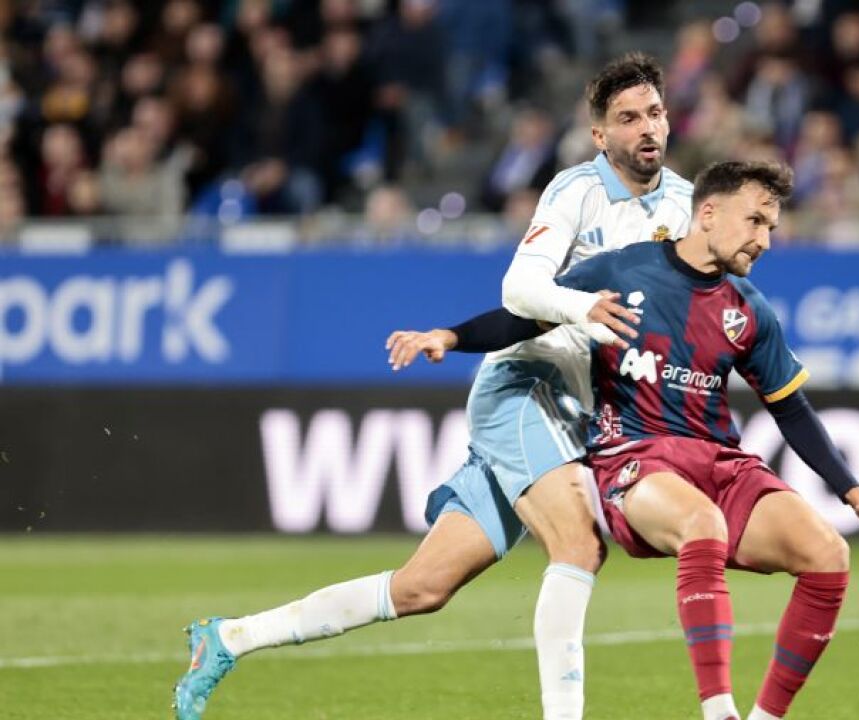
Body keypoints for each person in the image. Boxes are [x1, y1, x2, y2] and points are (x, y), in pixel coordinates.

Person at [174, 52, 692, 720]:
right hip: (525, 386)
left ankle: (230, 637)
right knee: (579, 544)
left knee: (422, 588)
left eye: (654, 112)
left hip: (579, 409)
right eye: (628, 117)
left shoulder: (685, 205)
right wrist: (573, 309)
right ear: (600, 135)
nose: (646, 126)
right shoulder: (575, 192)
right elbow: (521, 290)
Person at [408, 160, 859, 720]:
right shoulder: (623, 271)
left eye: (771, 227)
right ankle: (719, 712)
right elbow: (526, 317)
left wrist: (856, 496)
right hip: (635, 457)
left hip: (719, 459)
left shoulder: (749, 309)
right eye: (755, 221)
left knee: (829, 555)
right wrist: (450, 336)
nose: (765, 240)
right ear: (708, 212)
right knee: (703, 525)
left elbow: (789, 408)